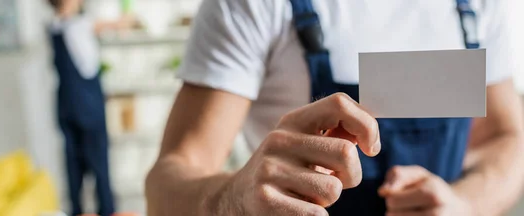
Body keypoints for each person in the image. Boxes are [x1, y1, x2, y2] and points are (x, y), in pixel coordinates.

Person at [146, 0, 524, 215]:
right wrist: (233, 199)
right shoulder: (252, 5)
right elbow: (165, 184)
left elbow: (509, 137)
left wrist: (465, 203)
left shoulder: (478, 5)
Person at [46, 0, 134, 215]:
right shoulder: (81, 24)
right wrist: (126, 17)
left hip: (65, 104)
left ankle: (76, 210)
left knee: (74, 163)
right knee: (99, 160)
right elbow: (116, 24)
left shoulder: (52, 26)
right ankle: (107, 210)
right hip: (88, 104)